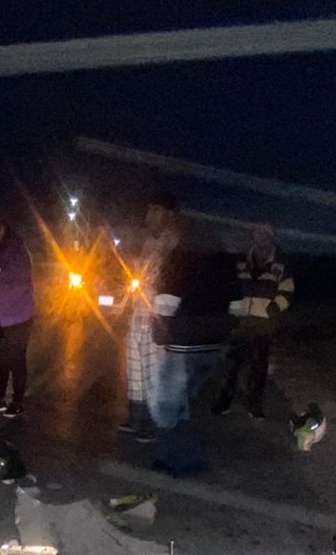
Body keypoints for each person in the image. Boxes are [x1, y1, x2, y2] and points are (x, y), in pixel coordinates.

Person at [149, 241, 238, 476]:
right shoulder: (226, 263)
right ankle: (164, 458)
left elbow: (165, 303)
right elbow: (237, 309)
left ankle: (193, 461)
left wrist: (159, 340)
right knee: (181, 403)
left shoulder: (179, 258)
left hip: (182, 348)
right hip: (211, 348)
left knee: (166, 407)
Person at [213, 223, 294, 418]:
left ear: (272, 239)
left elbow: (288, 291)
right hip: (241, 322)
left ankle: (255, 406)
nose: (262, 239)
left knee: (258, 368)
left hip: (264, 324)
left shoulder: (281, 264)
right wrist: (232, 311)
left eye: (266, 236)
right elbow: (232, 287)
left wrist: (274, 309)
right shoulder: (242, 261)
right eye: (259, 235)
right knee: (232, 365)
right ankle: (224, 403)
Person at [120, 192, 181, 440]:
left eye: (156, 210)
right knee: (135, 367)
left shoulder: (174, 245)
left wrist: (164, 321)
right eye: (149, 210)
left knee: (154, 370)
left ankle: (154, 422)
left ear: (169, 215)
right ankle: (136, 416)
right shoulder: (147, 242)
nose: (149, 216)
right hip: (139, 312)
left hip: (159, 315)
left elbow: (173, 284)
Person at [0, 213, 35, 417]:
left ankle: (17, 402)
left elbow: (10, 285)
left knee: (16, 360)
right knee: (0, 359)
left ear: (0, 228)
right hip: (0, 317)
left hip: (18, 318)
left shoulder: (17, 252)